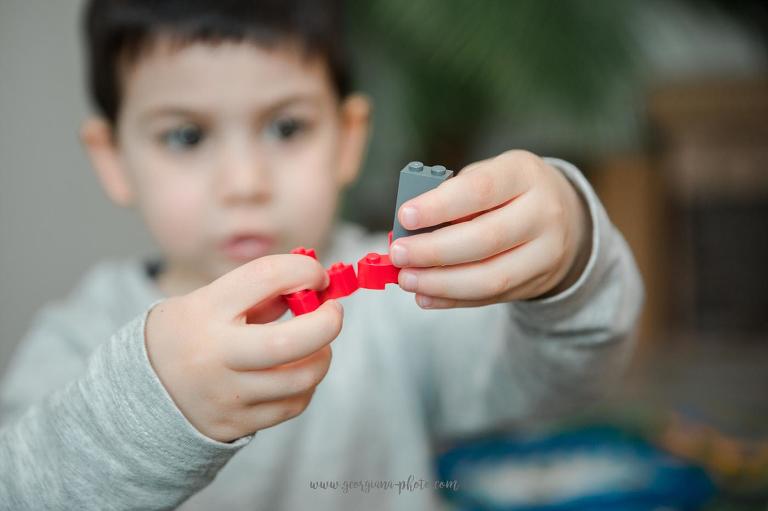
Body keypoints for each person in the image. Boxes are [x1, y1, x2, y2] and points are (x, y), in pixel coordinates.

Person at [0, 1, 643, 509]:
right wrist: (150, 408)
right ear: (114, 160)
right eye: (186, 135)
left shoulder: (411, 304)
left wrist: (572, 257)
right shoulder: (78, 333)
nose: (244, 182)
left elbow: (567, 382)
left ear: (347, 139)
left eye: (287, 127)